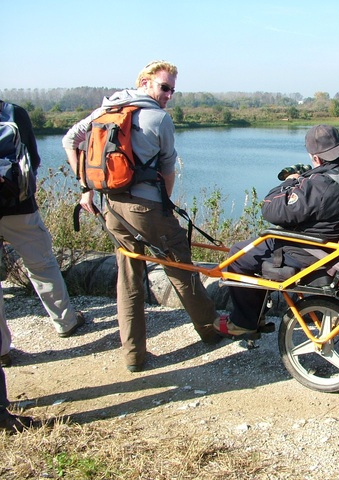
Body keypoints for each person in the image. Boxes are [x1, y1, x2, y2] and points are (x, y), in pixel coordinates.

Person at [62, 61, 220, 372]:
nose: (169, 95)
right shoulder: (159, 119)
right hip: (146, 209)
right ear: (145, 83)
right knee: (181, 268)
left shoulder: (104, 111)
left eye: (173, 89)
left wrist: (86, 189)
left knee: (129, 277)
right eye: (164, 87)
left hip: (112, 208)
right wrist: (165, 204)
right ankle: (210, 330)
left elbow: (70, 141)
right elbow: (167, 169)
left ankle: (134, 356)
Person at [217, 125, 339, 337]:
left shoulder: (320, 185)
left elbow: (271, 210)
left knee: (238, 255)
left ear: (315, 158)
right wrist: (309, 176)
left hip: (311, 254)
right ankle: (255, 315)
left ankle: (244, 322)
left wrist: (291, 181)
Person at [0, 100, 85, 368]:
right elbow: (32, 159)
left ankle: (2, 350)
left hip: (17, 205)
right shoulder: (13, 112)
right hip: (19, 206)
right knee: (42, 265)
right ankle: (65, 322)